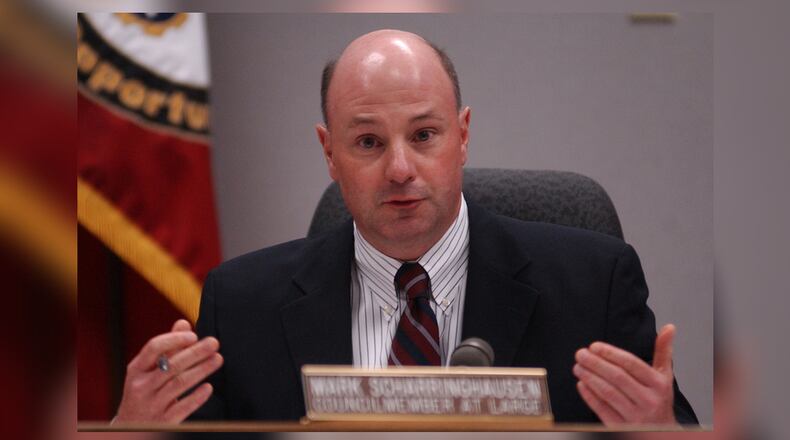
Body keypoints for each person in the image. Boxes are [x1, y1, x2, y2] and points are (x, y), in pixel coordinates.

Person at [113, 29, 698, 426]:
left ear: (462, 136)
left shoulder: (593, 286)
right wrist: (126, 435)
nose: (399, 169)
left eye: (423, 136)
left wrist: (664, 432)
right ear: (329, 152)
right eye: (368, 141)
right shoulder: (241, 305)